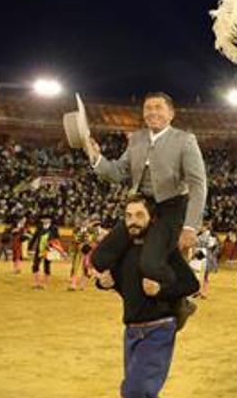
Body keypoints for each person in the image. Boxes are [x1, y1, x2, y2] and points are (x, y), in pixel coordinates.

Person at [86, 92, 207, 328]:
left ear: (171, 114)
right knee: (100, 258)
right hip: (142, 209)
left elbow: (197, 184)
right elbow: (117, 173)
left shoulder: (185, 140)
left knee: (150, 265)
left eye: (158, 107)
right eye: (148, 108)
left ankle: (179, 299)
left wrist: (190, 226)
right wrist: (96, 158)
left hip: (171, 209)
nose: (152, 112)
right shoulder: (137, 139)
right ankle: (132, 293)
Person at [94, 195, 200, 398]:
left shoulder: (163, 251)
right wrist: (103, 283)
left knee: (137, 391)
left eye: (139, 215)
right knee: (133, 393)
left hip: (159, 328)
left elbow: (190, 284)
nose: (133, 221)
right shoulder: (121, 251)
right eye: (128, 216)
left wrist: (161, 290)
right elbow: (118, 283)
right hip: (132, 330)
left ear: (151, 218)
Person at [29, 216, 63, 289]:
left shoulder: (54, 228)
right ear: (41, 220)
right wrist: (30, 247)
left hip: (49, 249)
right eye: (44, 219)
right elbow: (35, 237)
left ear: (50, 220)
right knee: (35, 265)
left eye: (47, 219)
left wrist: (57, 248)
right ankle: (36, 282)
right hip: (39, 249)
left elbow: (57, 239)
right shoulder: (39, 227)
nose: (45, 220)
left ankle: (45, 284)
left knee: (46, 266)